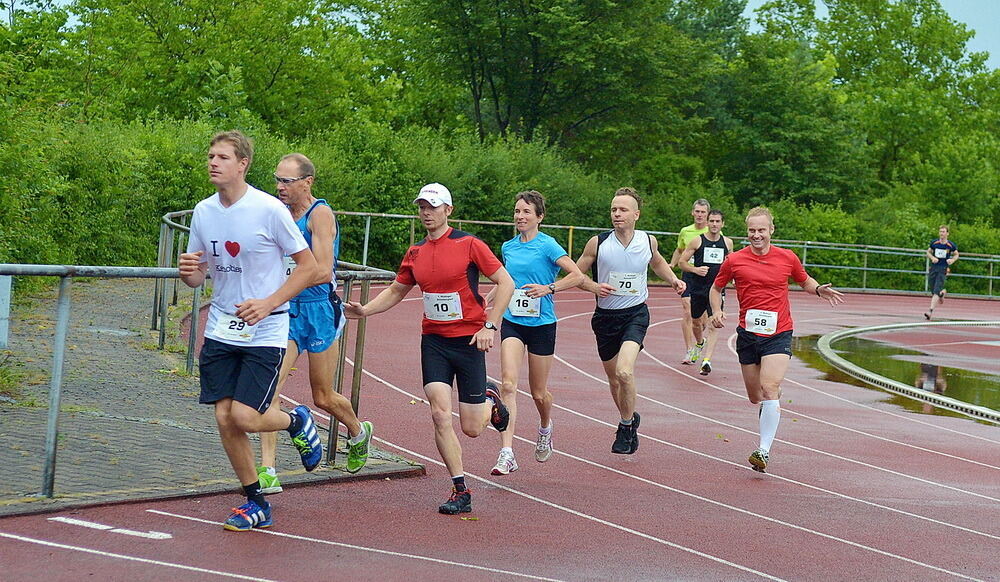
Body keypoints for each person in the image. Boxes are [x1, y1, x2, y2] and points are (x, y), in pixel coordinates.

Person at [178, 131, 325, 531]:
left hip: (266, 329)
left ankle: (296, 422)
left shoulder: (268, 209)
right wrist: (190, 274)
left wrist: (269, 302)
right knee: (224, 419)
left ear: (242, 164)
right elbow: (198, 277)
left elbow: (311, 268)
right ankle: (255, 501)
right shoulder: (203, 211)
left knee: (244, 415)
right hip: (223, 327)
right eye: (210, 155)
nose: (213, 162)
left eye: (222, 157)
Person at [344, 183, 515, 514]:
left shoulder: (469, 245)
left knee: (472, 428)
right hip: (434, 341)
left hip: (468, 341)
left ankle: (488, 399)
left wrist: (489, 326)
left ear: (448, 210)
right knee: (439, 413)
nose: (426, 212)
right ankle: (460, 488)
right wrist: (365, 310)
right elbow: (396, 290)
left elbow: (505, 283)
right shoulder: (415, 252)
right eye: (422, 206)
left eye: (433, 207)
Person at [255, 153, 373, 495]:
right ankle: (268, 472)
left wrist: (281, 287)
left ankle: (357, 431)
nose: (279, 187)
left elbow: (322, 269)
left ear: (307, 182)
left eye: (287, 181)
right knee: (269, 391)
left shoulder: (319, 214)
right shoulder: (274, 213)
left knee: (322, 396)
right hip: (285, 312)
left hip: (319, 309)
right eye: (276, 180)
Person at [709, 206, 844, 473]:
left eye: (761, 230)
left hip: (779, 332)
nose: (756, 235)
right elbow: (716, 288)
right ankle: (772, 400)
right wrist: (716, 310)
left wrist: (818, 289)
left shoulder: (787, 257)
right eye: (751, 230)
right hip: (748, 335)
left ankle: (763, 451)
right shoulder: (735, 260)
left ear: (771, 230)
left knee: (769, 387)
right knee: (755, 396)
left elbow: (804, 281)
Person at [576, 187, 686, 455]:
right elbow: (576, 275)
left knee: (625, 371)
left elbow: (657, 262)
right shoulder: (598, 243)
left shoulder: (648, 241)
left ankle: (625, 427)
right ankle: (629, 417)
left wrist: (673, 279)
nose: (617, 214)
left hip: (635, 314)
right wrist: (593, 287)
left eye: (623, 209)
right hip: (605, 318)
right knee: (615, 380)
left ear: (636, 214)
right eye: (614, 209)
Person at [486, 191, 584, 475]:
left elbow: (577, 275)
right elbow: (507, 279)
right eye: (517, 211)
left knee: (539, 393)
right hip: (513, 320)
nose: (520, 216)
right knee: (507, 384)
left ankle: (545, 427)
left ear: (539, 217)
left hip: (542, 324)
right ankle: (507, 452)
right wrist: (489, 298)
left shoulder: (548, 245)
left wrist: (548, 288)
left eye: (527, 212)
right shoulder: (509, 246)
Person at [677, 209, 733, 376]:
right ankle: (700, 343)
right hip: (698, 288)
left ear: (722, 224)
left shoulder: (728, 243)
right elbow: (681, 262)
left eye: (718, 221)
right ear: (707, 223)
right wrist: (695, 270)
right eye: (712, 221)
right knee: (695, 322)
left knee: (714, 322)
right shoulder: (697, 241)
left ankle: (707, 360)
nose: (715, 224)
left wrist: (733, 276)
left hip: (716, 289)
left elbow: (732, 263)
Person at [670, 199, 711, 365]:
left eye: (703, 212)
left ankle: (700, 339)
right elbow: (679, 250)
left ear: (707, 214)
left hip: (706, 277)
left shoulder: (714, 231)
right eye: (697, 211)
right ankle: (689, 349)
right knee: (687, 309)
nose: (700, 215)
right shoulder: (685, 231)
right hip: (688, 274)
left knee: (701, 321)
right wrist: (672, 264)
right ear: (692, 213)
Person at [924, 225, 958, 320]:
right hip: (934, 268)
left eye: (943, 232)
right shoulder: (934, 243)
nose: (941, 233)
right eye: (940, 231)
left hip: (943, 269)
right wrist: (932, 258)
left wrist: (952, 260)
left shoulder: (950, 245)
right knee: (933, 288)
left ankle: (930, 311)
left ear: (947, 233)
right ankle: (942, 293)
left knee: (936, 290)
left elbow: (956, 254)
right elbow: (928, 252)